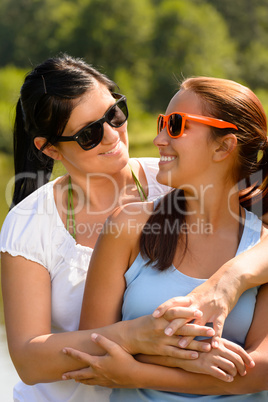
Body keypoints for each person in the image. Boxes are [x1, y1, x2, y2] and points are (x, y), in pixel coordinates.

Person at [0, 54, 267, 401]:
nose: (112, 136)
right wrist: (141, 338)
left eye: (114, 115)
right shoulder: (30, 222)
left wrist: (229, 280)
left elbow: (255, 230)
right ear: (49, 148)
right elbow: (28, 360)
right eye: (89, 134)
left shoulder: (176, 178)